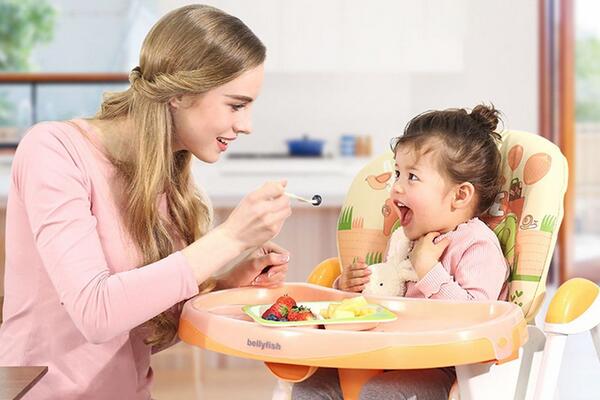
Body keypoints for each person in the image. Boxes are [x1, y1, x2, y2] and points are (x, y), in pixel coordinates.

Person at [0, 5, 292, 400]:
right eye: (236, 104)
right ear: (181, 93)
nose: (247, 125)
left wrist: (225, 284)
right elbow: (97, 315)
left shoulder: (169, 183)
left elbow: (143, 333)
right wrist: (230, 239)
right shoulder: (54, 151)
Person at [292, 104, 509, 400]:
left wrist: (429, 271)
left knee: (380, 393)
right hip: (388, 353)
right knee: (312, 385)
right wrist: (349, 290)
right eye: (398, 174)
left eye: (412, 177)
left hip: (444, 367)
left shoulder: (476, 244)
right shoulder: (403, 240)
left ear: (460, 195)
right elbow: (384, 295)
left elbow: (477, 318)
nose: (396, 188)